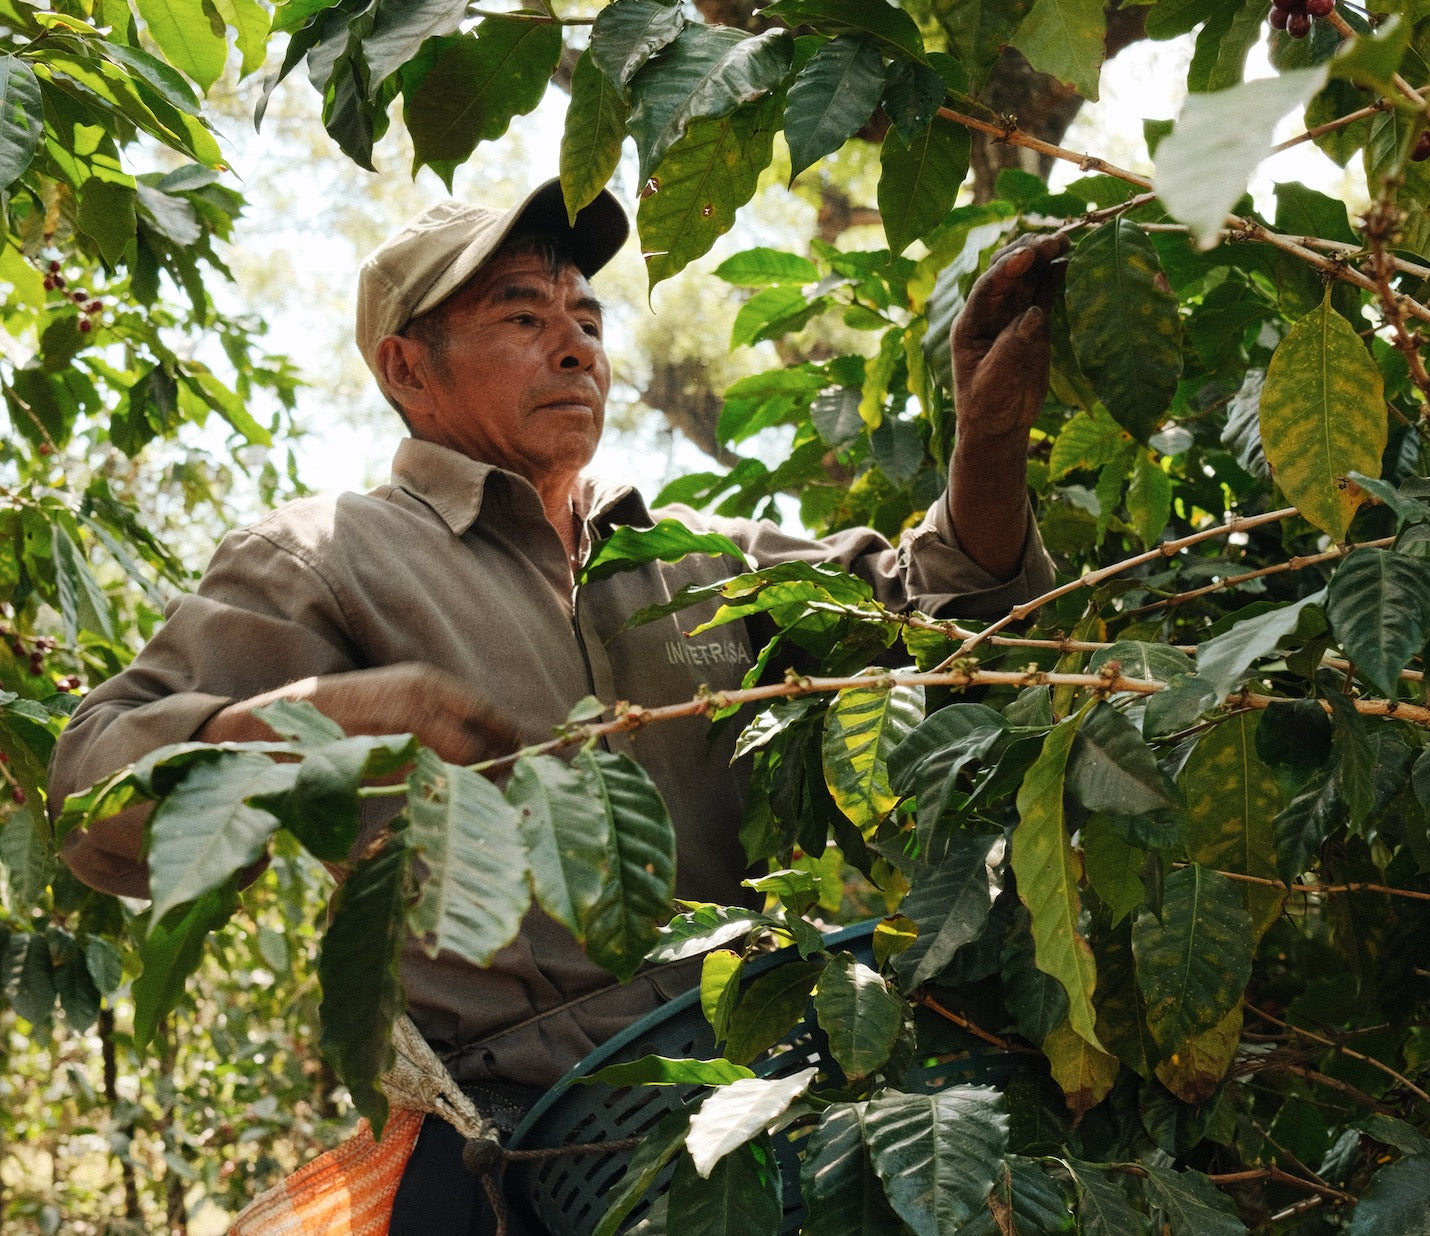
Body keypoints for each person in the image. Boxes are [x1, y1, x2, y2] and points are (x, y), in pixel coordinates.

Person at [48, 180, 1063, 1232]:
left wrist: (986, 440)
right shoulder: (324, 558)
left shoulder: (697, 555)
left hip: (782, 1077)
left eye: (588, 319)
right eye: (522, 318)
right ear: (409, 367)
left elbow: (950, 629)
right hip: (542, 1136)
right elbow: (95, 790)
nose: (575, 347)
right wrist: (326, 716)